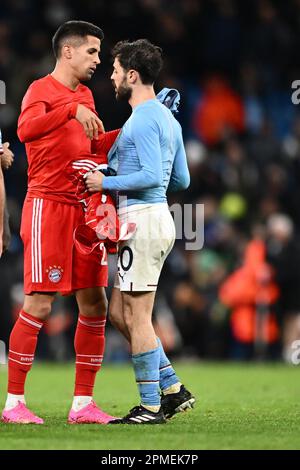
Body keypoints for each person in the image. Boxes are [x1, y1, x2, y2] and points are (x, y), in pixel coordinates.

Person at [1, 21, 117, 425]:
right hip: (47, 206)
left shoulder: (85, 95)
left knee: (95, 303)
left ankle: (83, 404)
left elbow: (93, 143)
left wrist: (139, 127)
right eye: (92, 52)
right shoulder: (41, 90)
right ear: (68, 52)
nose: (98, 61)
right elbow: (24, 129)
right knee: (40, 302)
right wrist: (70, 109)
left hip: (83, 209)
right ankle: (14, 403)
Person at [85, 39, 195, 424]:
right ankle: (172, 387)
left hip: (144, 220)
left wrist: (106, 182)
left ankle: (151, 406)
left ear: (132, 75)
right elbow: (179, 178)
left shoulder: (146, 117)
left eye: (115, 70)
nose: (111, 76)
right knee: (119, 312)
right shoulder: (168, 119)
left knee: (138, 316)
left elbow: (151, 176)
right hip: (154, 217)